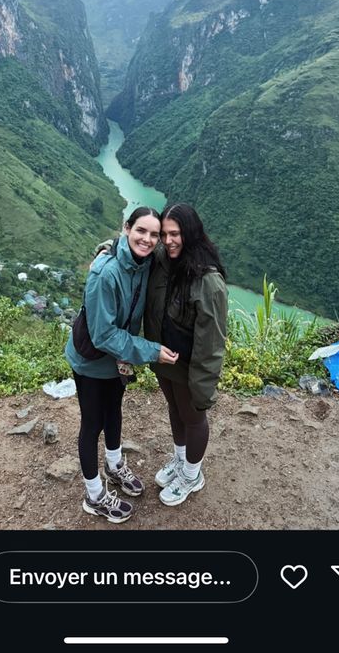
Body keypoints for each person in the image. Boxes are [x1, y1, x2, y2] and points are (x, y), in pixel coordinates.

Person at [65, 206, 178, 524]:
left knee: (113, 410)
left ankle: (114, 467)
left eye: (153, 234)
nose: (147, 238)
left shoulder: (144, 261)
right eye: (140, 230)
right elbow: (103, 335)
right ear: (126, 228)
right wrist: (152, 350)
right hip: (92, 360)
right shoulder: (106, 273)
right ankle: (93, 495)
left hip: (119, 359)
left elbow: (176, 252)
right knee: (92, 424)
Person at [144, 203, 227, 506]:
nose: (168, 241)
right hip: (164, 358)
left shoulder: (208, 281)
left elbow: (212, 343)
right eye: (165, 234)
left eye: (175, 234)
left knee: (193, 417)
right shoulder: (165, 260)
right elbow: (135, 245)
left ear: (190, 234)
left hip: (190, 366)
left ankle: (192, 475)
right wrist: (106, 249)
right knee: (175, 409)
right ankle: (181, 460)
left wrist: (203, 387)